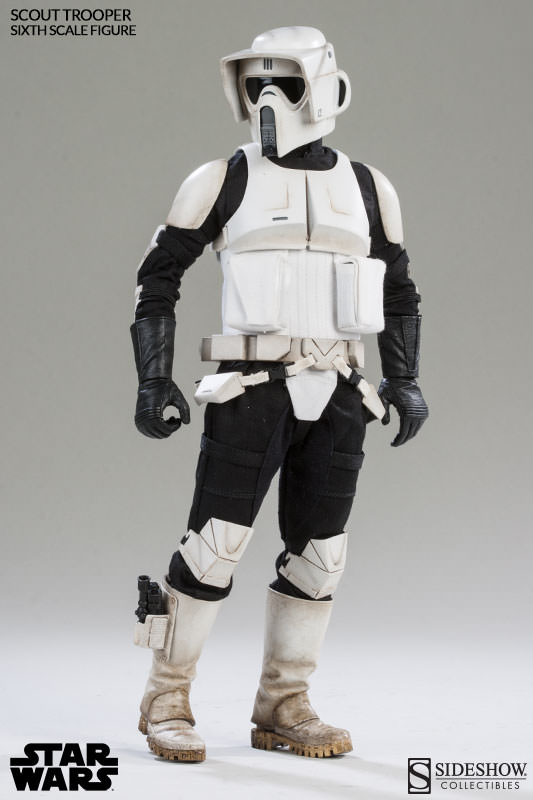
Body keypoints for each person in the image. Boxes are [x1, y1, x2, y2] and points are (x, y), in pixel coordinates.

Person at [131, 26, 428, 762]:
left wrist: (404, 378)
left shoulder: (368, 188)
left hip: (340, 390)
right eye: (255, 83)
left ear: (327, 89)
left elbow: (399, 290)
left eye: (285, 83)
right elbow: (157, 280)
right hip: (252, 388)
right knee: (212, 547)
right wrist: (152, 377)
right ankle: (167, 696)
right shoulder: (222, 179)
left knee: (320, 555)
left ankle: (284, 703)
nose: (268, 98)